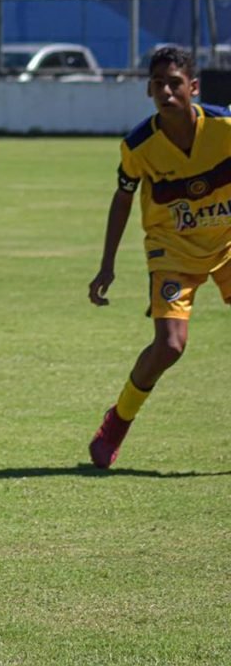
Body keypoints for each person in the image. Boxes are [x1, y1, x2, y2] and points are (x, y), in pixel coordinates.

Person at [87, 46, 231, 468]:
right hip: (172, 250)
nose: (166, 91)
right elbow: (123, 198)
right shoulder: (138, 145)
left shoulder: (224, 126)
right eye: (158, 84)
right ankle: (117, 421)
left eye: (174, 83)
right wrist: (107, 264)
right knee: (170, 346)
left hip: (227, 243)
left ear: (194, 87)